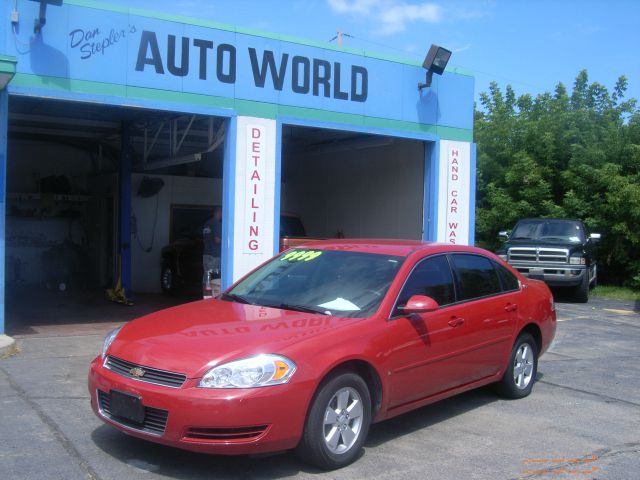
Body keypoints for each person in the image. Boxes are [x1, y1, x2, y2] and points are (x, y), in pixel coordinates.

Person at [202, 206, 222, 298]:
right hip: (214, 255)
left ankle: (205, 297)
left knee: (207, 276)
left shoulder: (207, 223)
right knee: (216, 278)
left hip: (206, 254)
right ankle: (214, 298)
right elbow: (217, 240)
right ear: (219, 212)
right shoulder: (216, 223)